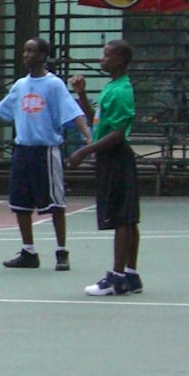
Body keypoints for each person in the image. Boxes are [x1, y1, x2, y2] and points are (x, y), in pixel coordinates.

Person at [0, 37, 91, 271]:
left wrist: (87, 135)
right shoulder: (20, 85)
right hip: (23, 151)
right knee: (21, 204)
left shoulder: (54, 85)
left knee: (55, 203)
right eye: (24, 50)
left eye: (31, 51)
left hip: (45, 151)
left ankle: (61, 251)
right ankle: (29, 251)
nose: (26, 55)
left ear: (43, 55)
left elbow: (73, 112)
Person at [68, 39, 143, 296]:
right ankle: (132, 276)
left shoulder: (122, 91)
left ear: (120, 60)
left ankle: (117, 278)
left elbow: (118, 134)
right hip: (110, 156)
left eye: (107, 55)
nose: (102, 59)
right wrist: (82, 94)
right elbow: (97, 123)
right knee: (128, 218)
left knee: (122, 218)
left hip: (116, 157)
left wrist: (83, 151)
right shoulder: (112, 87)